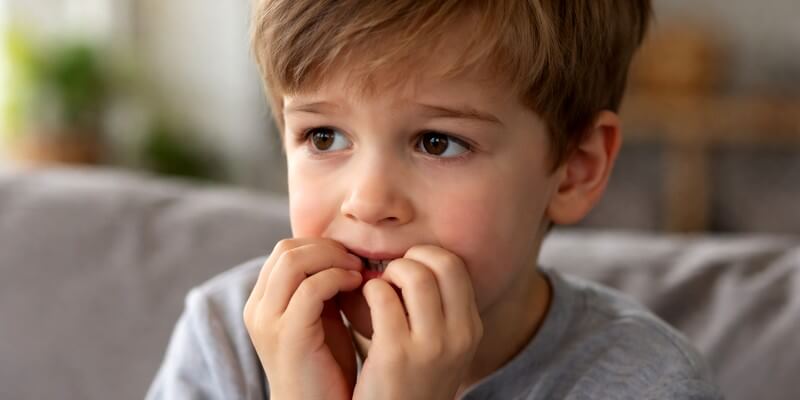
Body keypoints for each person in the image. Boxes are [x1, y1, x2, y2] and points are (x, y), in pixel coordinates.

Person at [147, 1, 722, 398]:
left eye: (437, 142)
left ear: (574, 170)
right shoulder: (227, 339)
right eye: (324, 136)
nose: (368, 202)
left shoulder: (647, 383)